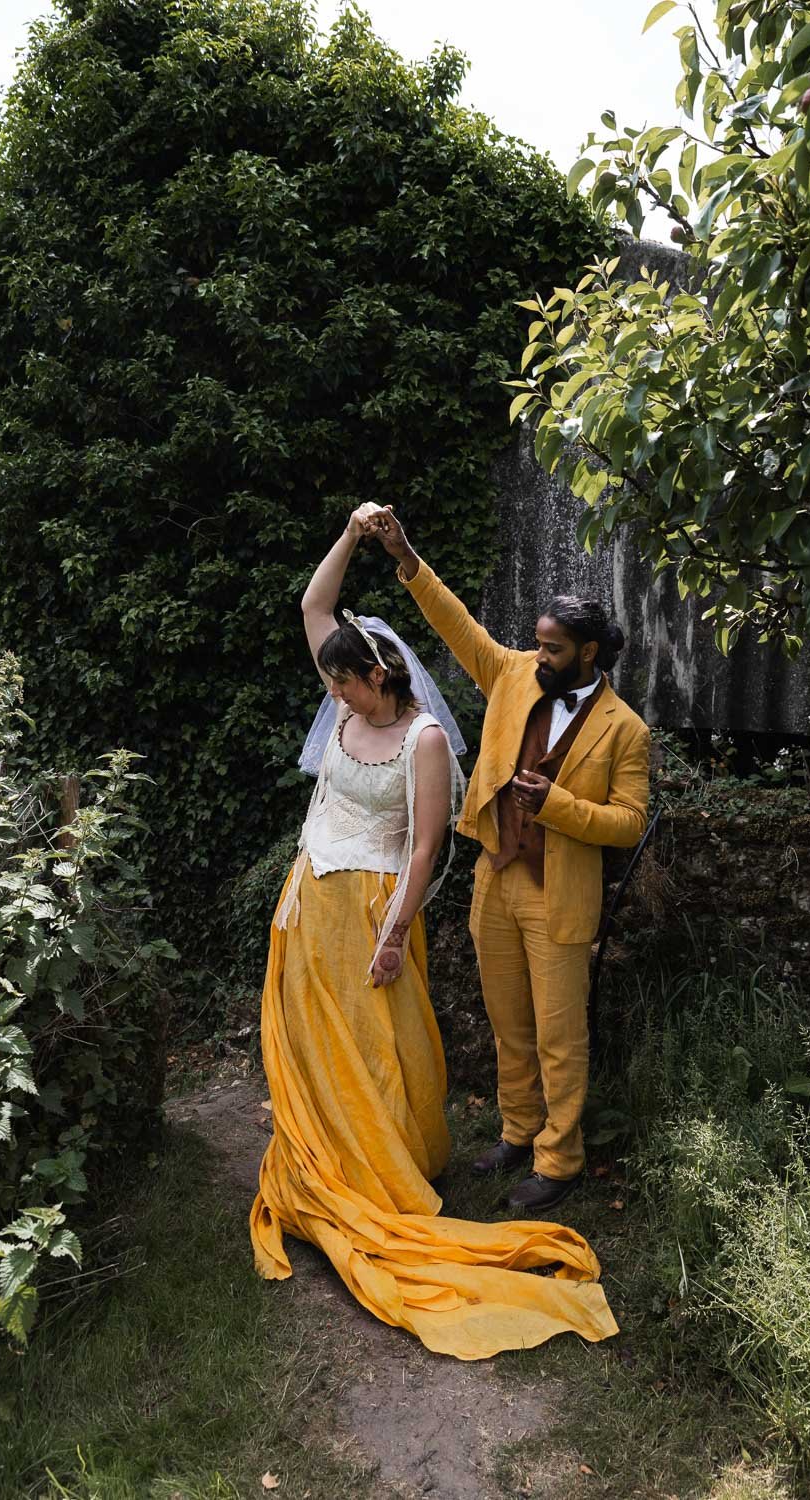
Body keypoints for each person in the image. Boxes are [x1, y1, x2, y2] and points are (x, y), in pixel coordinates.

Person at [249, 504, 618, 1360]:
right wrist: (370, 543)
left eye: (346, 681)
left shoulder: (445, 739)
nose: (333, 691)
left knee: (474, 1038)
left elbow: (432, 845)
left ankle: (517, 1162)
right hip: (388, 891)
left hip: (460, 900)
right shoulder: (420, 687)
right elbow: (354, 611)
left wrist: (392, 932)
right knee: (439, 1032)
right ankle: (472, 1139)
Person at [364, 505, 650, 1214]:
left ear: (588, 653)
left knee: (558, 1034)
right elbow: (455, 624)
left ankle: (560, 1157)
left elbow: (629, 824)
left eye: (552, 648)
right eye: (537, 643)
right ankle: (518, 1130)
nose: (538, 654)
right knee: (509, 1024)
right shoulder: (513, 675)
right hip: (497, 877)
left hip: (561, 894)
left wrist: (555, 806)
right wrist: (406, 557)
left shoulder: (627, 731)